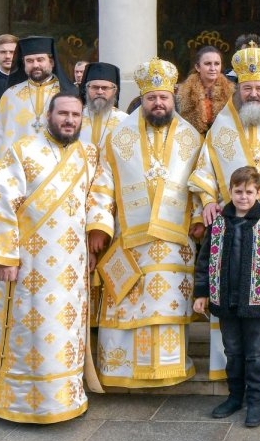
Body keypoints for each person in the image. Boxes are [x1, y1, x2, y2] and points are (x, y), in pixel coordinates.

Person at [0, 92, 98, 423]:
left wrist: (96, 237)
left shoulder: (88, 153)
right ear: (48, 116)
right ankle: (19, 402)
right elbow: (0, 203)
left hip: (72, 264)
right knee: (31, 330)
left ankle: (65, 398)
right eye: (63, 114)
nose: (69, 120)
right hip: (29, 261)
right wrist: (4, 257)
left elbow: (97, 198)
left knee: (65, 332)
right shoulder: (23, 150)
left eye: (75, 115)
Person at [87, 58, 204, 387]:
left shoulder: (191, 137)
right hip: (129, 238)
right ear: (142, 99)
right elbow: (102, 183)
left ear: (173, 98)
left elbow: (200, 181)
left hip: (174, 241)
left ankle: (167, 368)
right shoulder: (118, 137)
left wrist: (199, 218)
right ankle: (121, 371)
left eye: (163, 97)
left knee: (165, 305)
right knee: (127, 300)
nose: (158, 103)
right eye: (151, 98)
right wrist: (98, 226)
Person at [189, 44, 260, 381]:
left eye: (259, 88)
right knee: (229, 292)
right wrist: (208, 200)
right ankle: (229, 370)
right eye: (247, 88)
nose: (253, 94)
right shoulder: (222, 125)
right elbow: (204, 169)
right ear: (238, 90)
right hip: (230, 226)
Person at [0, 36, 73, 291]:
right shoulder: (10, 96)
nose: (36, 65)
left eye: (40, 60)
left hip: (57, 179)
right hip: (19, 180)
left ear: (51, 61)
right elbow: (0, 140)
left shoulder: (67, 95)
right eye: (30, 60)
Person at [193, 166, 260, 428]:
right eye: (238, 192)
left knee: (255, 354)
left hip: (256, 300)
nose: (243, 197)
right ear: (230, 192)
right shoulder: (218, 223)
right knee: (233, 351)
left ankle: (255, 402)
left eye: (248, 192)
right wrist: (201, 293)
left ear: (258, 193)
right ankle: (235, 397)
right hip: (225, 299)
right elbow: (204, 261)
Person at [176, 45, 234, 134]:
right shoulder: (183, 94)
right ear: (197, 67)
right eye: (208, 64)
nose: (213, 68)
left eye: (217, 64)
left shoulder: (231, 92)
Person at [79, 62, 127, 149]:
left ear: (114, 91)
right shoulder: (76, 117)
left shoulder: (124, 120)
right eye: (95, 87)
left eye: (105, 88)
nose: (100, 92)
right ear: (87, 89)